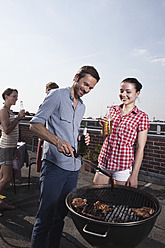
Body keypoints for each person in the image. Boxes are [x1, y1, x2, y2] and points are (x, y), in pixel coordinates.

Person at [30, 65, 100, 248]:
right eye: (85, 84)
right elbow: (35, 125)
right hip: (54, 166)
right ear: (76, 77)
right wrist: (57, 141)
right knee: (45, 217)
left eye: (91, 88)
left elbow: (71, 131)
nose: (86, 90)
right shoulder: (56, 95)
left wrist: (81, 137)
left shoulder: (82, 106)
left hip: (73, 168)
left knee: (59, 217)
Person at [93, 78, 149, 188]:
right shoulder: (112, 110)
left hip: (122, 167)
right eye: (121, 91)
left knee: (119, 202)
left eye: (128, 92)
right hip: (104, 162)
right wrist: (104, 127)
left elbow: (140, 147)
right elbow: (105, 136)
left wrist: (134, 175)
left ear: (137, 93)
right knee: (96, 195)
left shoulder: (142, 117)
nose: (123, 94)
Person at [0, 88, 25, 216]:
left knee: (1, 177)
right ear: (6, 96)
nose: (16, 98)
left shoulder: (10, 111)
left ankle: (1, 201)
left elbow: (14, 134)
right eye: (14, 96)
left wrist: (15, 148)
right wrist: (18, 118)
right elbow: (7, 130)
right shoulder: (3, 111)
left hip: (10, 147)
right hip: (5, 148)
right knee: (7, 177)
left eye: (16, 96)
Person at [36, 82, 59, 172]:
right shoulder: (43, 105)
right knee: (43, 166)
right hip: (43, 139)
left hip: (54, 139)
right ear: (46, 91)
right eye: (49, 90)